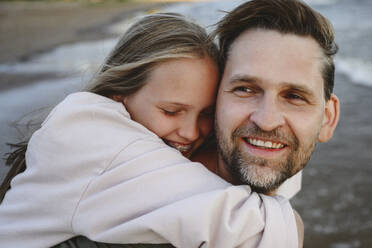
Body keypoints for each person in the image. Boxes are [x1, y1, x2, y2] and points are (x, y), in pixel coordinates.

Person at [0, 13, 298, 248]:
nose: (191, 132)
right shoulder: (98, 138)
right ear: (120, 92)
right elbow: (258, 231)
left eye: (207, 114)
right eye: (171, 111)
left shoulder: (85, 121)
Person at [58, 0, 341, 246]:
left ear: (327, 118)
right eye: (245, 89)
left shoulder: (264, 162)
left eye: (294, 96)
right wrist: (287, 224)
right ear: (218, 96)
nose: (266, 121)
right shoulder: (101, 147)